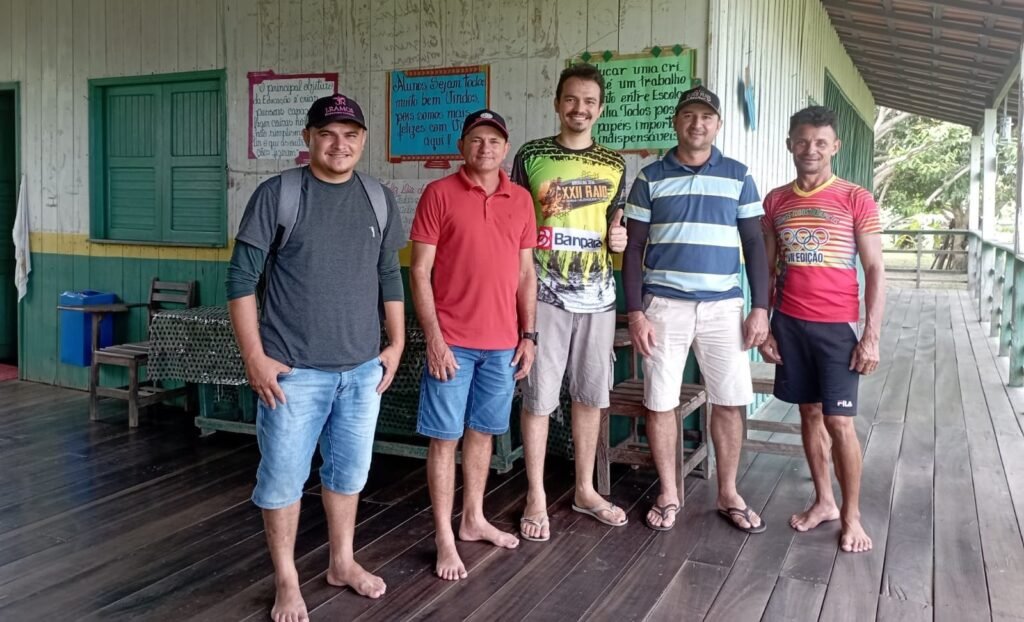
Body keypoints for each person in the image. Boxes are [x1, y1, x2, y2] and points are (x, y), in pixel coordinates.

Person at [226, 93, 406, 622]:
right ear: (308, 138)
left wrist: (395, 343)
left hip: (361, 371)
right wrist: (254, 356)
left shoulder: (378, 198)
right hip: (293, 373)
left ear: (363, 140)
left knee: (348, 474)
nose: (339, 144)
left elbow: (389, 275)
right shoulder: (279, 194)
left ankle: (341, 562)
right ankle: (286, 580)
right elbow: (240, 279)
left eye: (350, 134)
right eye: (327, 133)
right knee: (282, 480)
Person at [623, 85, 770, 533]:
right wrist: (636, 313)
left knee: (730, 399)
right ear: (676, 121)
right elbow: (633, 249)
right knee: (660, 401)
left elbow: (754, 244)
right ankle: (669, 492)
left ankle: (728, 493)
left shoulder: (739, 176)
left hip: (724, 306)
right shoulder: (650, 177)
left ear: (718, 125)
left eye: (706, 117)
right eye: (689, 115)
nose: (697, 124)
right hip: (664, 305)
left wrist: (760, 307)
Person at [409, 109, 538, 580]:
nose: (486, 148)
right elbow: (419, 271)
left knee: (483, 433)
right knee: (445, 439)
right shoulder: (438, 194)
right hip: (453, 345)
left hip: (503, 345)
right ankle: (444, 536)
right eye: (477, 140)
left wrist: (528, 335)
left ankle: (473, 519)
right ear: (461, 146)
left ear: (506, 149)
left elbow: (526, 274)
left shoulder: (521, 199)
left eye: (494, 141)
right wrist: (434, 340)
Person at [511, 63, 629, 542]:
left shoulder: (616, 164)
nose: (580, 109)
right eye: (572, 99)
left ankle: (584, 489)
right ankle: (535, 495)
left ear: (600, 109)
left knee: (590, 396)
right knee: (539, 397)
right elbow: (516, 224)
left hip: (598, 298)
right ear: (557, 103)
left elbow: (616, 224)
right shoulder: (531, 155)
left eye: (589, 102)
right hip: (543, 295)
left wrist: (619, 239)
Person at [759, 105, 883, 554]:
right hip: (790, 323)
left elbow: (875, 268)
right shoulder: (775, 201)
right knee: (809, 413)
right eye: (802, 141)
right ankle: (825, 501)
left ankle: (852, 516)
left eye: (820, 142)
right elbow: (768, 268)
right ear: (790, 144)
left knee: (840, 421)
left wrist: (871, 336)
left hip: (837, 327)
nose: (810, 149)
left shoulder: (855, 197)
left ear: (835, 147)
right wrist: (766, 325)